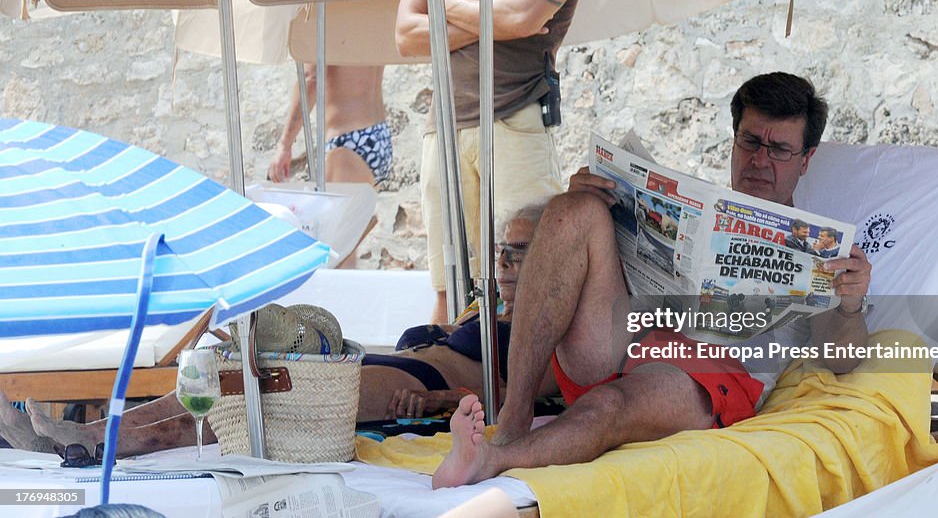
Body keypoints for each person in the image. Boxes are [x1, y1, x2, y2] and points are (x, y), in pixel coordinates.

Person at [431, 72, 873, 489]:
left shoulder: (822, 248)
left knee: (609, 404)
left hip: (711, 372)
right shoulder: (700, 206)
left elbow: (841, 361)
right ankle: (513, 416)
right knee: (572, 209)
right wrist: (591, 197)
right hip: (635, 334)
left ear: (807, 158)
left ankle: (490, 460)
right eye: (750, 141)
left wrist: (850, 303)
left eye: (779, 149)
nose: (760, 160)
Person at [0, 205, 549, 457]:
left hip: (410, 384)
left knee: (244, 400)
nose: (502, 261)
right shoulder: (484, 312)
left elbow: (536, 397)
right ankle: (87, 438)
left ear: (550, 259)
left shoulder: (543, 330)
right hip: (384, 367)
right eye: (501, 249)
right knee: (229, 380)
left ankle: (90, 441)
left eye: (519, 252)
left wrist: (447, 398)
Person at [395, 0, 582, 324]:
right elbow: (406, 36)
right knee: (451, 292)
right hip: (445, 127)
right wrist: (493, 19)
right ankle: (455, 373)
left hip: (514, 116)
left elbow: (524, 17)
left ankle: (520, 380)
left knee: (528, 285)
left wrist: (443, 4)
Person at [268, 64, 391, 268]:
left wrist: (285, 143)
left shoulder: (326, 30)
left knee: (337, 255)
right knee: (345, 248)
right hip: (376, 134)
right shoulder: (371, 29)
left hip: (347, 139)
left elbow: (311, 78)